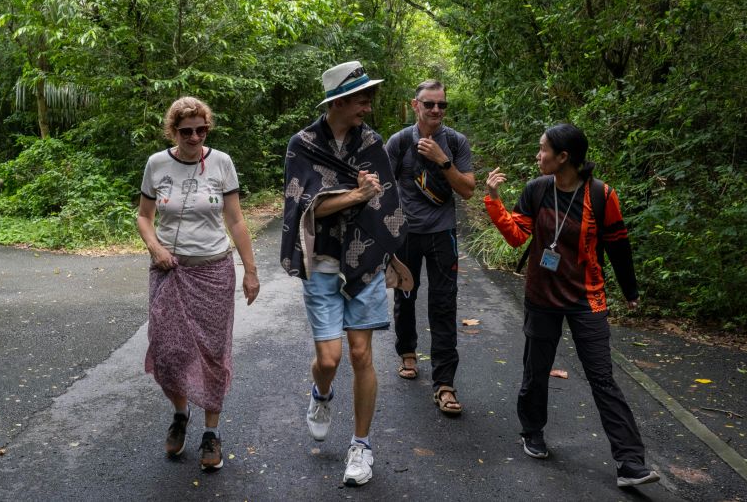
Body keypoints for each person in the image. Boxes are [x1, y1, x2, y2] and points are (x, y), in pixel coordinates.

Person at [484, 123, 660, 488]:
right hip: (542, 297)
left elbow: (617, 243)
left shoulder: (601, 195)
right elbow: (517, 238)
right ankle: (532, 431)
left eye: (543, 149)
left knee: (602, 377)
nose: (537, 156)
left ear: (564, 157)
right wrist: (493, 200)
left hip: (586, 297)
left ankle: (630, 463)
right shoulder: (536, 189)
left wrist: (630, 290)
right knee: (537, 369)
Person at [280, 61, 411, 487]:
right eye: (361, 99)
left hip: (365, 263)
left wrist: (368, 199)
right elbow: (305, 208)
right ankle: (321, 393)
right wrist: (357, 193)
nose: (368, 107)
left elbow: (386, 202)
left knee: (360, 355)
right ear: (337, 101)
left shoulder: (372, 143)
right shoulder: (302, 144)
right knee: (328, 359)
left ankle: (361, 444)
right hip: (322, 263)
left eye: (368, 98)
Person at [137, 96, 260, 472]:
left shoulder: (221, 163)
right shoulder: (157, 164)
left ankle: (211, 432)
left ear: (208, 128)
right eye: (186, 130)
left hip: (213, 271)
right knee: (168, 349)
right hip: (169, 271)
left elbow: (236, 220)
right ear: (173, 130)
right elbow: (144, 217)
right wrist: (155, 247)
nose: (194, 136)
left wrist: (250, 270)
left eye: (201, 129)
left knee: (212, 352)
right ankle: (180, 413)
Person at [385, 80, 475, 415]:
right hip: (406, 233)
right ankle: (407, 352)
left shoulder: (454, 142)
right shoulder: (398, 142)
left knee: (443, 304)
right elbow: (380, 186)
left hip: (442, 233)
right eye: (429, 104)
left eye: (442, 105)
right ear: (415, 105)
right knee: (405, 295)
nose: (436, 110)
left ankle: (445, 384)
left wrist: (442, 161)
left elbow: (467, 190)